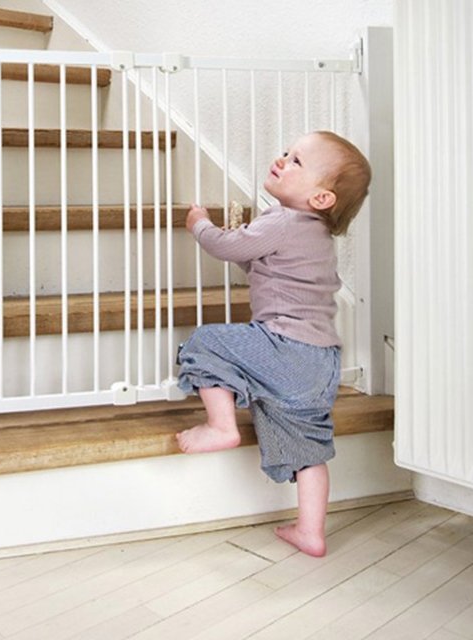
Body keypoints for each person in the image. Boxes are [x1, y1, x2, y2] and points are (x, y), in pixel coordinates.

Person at [175, 131, 371, 557]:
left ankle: (221, 426)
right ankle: (310, 532)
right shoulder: (315, 235)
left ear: (321, 199)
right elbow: (258, 258)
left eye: (297, 161)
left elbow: (225, 247)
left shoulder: (281, 221)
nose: (282, 160)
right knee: (307, 449)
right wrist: (247, 238)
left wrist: (199, 224)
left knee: (207, 342)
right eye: (286, 152)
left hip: (286, 346)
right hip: (321, 363)